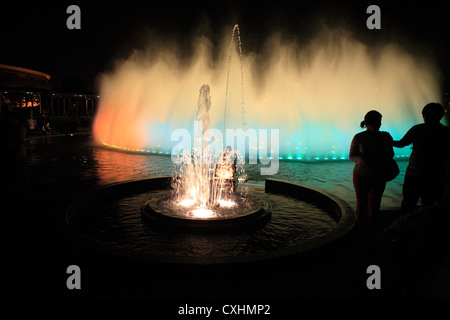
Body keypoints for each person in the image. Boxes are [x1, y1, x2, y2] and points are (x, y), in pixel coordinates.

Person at [393, 102, 450, 215]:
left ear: (425, 115)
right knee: (430, 207)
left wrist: (387, 140)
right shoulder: (446, 132)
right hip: (436, 176)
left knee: (408, 205)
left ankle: (405, 229)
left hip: (414, 176)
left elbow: (401, 144)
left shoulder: (417, 129)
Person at [349, 110, 395, 247]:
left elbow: (391, 154)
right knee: (362, 205)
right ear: (367, 123)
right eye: (374, 122)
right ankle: (362, 233)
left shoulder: (386, 136)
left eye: (379, 122)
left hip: (378, 176)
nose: (377, 125)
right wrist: (362, 159)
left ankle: (371, 233)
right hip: (361, 175)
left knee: (374, 205)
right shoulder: (359, 137)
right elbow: (351, 155)